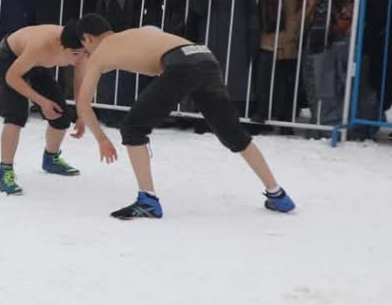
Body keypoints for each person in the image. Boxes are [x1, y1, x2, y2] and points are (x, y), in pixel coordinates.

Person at [64, 13, 295, 219]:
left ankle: (148, 201)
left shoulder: (100, 52)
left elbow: (83, 103)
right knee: (234, 133)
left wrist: (102, 139)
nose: (87, 52)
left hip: (181, 65)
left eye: (84, 46)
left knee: (133, 128)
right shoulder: (139, 32)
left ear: (88, 38)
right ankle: (277, 194)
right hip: (204, 57)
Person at [0, 24, 84, 195]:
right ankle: (4, 172)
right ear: (62, 47)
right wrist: (41, 101)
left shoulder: (80, 49)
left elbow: (79, 80)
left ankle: (50, 158)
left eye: (82, 53)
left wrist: (82, 113)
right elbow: (12, 77)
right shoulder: (41, 45)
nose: (79, 58)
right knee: (16, 116)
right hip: (8, 59)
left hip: (35, 63)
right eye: (75, 54)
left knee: (62, 115)